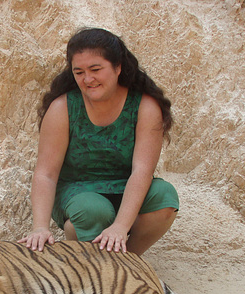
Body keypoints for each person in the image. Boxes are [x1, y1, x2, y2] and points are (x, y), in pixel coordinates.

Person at [18, 28, 179, 255]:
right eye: (79, 72)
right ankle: (98, 260)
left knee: (164, 196)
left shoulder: (144, 106)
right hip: (78, 195)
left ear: (117, 67)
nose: (88, 79)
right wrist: (40, 227)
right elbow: (46, 173)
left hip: (126, 189)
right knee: (92, 211)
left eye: (95, 69)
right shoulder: (62, 108)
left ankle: (126, 260)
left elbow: (142, 171)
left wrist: (121, 227)